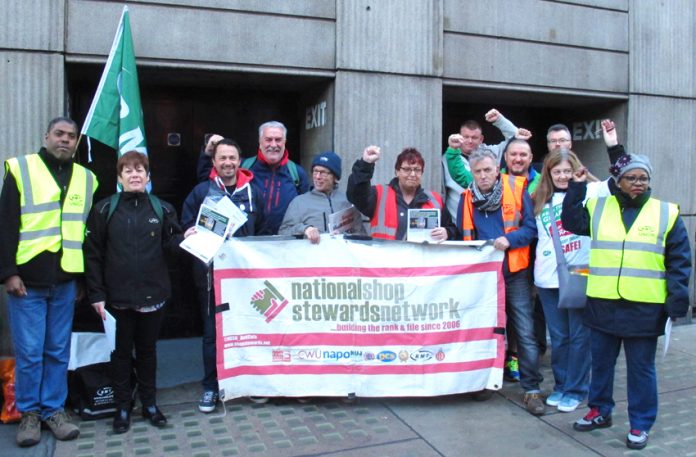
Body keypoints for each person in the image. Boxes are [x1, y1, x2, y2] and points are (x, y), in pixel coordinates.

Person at [562, 153, 691, 450]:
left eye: (643, 178)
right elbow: (570, 221)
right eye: (631, 178)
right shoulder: (598, 206)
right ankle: (599, 411)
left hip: (644, 307)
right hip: (603, 302)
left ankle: (641, 423)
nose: (637, 183)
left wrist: (677, 300)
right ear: (618, 181)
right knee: (602, 364)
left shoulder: (666, 213)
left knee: (641, 369)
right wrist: (576, 188)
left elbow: (680, 262)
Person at [0, 117, 98, 447]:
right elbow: (6, 224)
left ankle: (53, 410)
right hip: (26, 280)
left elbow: (85, 233)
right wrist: (8, 272)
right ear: (46, 137)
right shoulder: (21, 169)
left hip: (66, 280)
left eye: (71, 136)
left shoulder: (87, 179)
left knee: (57, 351)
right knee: (29, 353)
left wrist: (83, 279)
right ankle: (29, 414)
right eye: (59, 134)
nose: (65, 140)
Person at [84, 151, 183, 434]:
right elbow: (92, 255)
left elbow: (171, 247)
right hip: (117, 299)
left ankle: (150, 404)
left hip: (154, 297)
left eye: (140, 169)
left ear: (148, 176)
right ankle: (123, 407)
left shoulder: (163, 209)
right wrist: (96, 294)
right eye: (128, 171)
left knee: (149, 352)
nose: (135, 174)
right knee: (121, 354)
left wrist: (186, 239)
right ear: (119, 178)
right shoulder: (104, 209)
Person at [455, 148, 544, 415]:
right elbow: (462, 234)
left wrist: (511, 240)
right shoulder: (466, 198)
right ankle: (485, 381)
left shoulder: (517, 188)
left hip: (514, 273)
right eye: (478, 171)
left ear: (497, 169)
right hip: (483, 278)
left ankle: (532, 390)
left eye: (488, 170)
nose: (483, 176)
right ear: (472, 173)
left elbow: (531, 229)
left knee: (525, 331)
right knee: (485, 331)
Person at [182, 138, 267, 412]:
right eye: (222, 158)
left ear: (239, 161)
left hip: (245, 278)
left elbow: (265, 231)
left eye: (232, 158)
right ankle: (211, 387)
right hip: (210, 276)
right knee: (211, 334)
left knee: (248, 329)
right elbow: (184, 225)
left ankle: (250, 382)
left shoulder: (254, 191)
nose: (228, 163)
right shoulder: (201, 192)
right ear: (214, 162)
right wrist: (187, 231)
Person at [532, 149, 610, 413]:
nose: (563, 176)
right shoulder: (539, 199)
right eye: (557, 172)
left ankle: (577, 389)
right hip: (547, 278)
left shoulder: (589, 192)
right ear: (549, 174)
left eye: (567, 170)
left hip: (578, 275)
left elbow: (613, 186)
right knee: (559, 336)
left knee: (579, 336)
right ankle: (562, 386)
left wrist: (586, 176)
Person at [347, 146, 456, 241]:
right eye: (407, 169)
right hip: (384, 261)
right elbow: (355, 195)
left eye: (417, 170)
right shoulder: (379, 194)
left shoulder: (435, 200)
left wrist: (447, 233)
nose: (412, 174)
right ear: (397, 171)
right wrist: (365, 165)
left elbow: (453, 230)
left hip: (421, 262)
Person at [442, 109, 529, 222]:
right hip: (459, 220)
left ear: (481, 139)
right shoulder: (447, 158)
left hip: (491, 216)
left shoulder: (491, 153)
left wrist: (500, 120)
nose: (469, 141)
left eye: (474, 137)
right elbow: (442, 192)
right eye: (466, 137)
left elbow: (516, 138)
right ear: (459, 136)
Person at [278, 151, 365, 242]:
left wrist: (345, 236)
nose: (318, 177)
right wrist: (304, 229)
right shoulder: (298, 202)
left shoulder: (348, 201)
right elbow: (283, 232)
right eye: (315, 171)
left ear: (335, 177)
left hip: (341, 255)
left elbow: (361, 236)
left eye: (323, 172)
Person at [242, 121, 309, 234]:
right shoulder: (244, 168)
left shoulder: (297, 173)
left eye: (278, 140)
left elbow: (306, 210)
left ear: (284, 142)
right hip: (250, 243)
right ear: (260, 142)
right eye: (268, 139)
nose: (273, 145)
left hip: (287, 242)